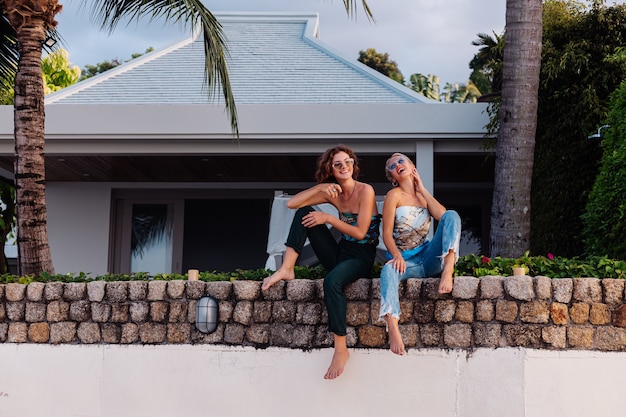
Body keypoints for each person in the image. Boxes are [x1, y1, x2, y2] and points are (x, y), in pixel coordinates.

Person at [262, 145, 381, 379]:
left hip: (360, 257)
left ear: (353, 165)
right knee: (305, 212)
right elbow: (292, 204)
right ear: (331, 170)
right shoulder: (332, 192)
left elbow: (360, 233)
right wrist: (320, 188)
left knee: (331, 282)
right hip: (340, 253)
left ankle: (340, 348)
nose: (344, 167)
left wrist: (327, 217)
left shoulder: (365, 191)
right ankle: (287, 268)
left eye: (348, 162)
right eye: (338, 164)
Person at [378, 152, 461, 356]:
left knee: (452, 214)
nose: (397, 165)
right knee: (387, 272)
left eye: (400, 161)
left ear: (411, 165)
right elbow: (386, 234)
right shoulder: (393, 196)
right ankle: (393, 327)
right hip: (406, 262)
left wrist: (422, 189)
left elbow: (444, 217)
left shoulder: (423, 197)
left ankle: (447, 271)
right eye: (391, 166)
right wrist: (396, 256)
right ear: (392, 177)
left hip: (429, 257)